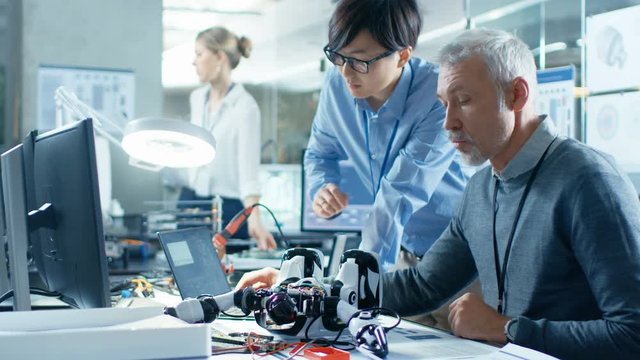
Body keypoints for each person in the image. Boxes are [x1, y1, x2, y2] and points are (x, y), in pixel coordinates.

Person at [236, 28, 640, 359]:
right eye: (444, 104)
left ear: (516, 95)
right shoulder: (483, 187)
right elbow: (422, 286)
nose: (448, 123)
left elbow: (632, 334)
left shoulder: (588, 181)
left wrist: (506, 329)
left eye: (463, 101)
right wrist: (314, 289)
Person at [306, 0, 468, 271]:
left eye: (359, 60)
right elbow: (320, 153)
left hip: (455, 258)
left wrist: (360, 271)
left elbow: (401, 191)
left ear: (402, 56)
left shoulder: (438, 94)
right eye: (338, 56)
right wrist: (323, 186)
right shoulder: (336, 86)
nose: (345, 71)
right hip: (401, 252)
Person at [182, 27, 276, 251]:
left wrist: (254, 217)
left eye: (199, 54)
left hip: (228, 210)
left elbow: (248, 171)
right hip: (193, 203)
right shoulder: (197, 99)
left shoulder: (245, 106)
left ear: (219, 57)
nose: (193, 62)